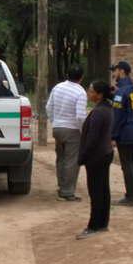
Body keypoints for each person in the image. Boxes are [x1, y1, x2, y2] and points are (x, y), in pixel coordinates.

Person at [76, 81, 114, 240]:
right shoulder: (108, 109)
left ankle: (93, 225)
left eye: (91, 91)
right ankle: (103, 222)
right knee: (103, 189)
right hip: (105, 153)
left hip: (96, 156)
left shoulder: (98, 112)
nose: (88, 93)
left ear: (99, 95)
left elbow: (92, 139)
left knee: (96, 191)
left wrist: (83, 156)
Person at [46, 64, 88, 201]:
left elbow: (48, 107)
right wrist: (83, 130)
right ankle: (68, 192)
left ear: (67, 75)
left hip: (57, 129)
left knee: (61, 158)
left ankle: (61, 186)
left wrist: (54, 121)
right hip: (72, 130)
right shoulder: (80, 92)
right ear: (81, 77)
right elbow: (81, 116)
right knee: (72, 161)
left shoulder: (57, 88)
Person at [110, 61, 133, 206]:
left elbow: (117, 116)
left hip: (125, 133)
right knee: (132, 162)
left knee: (127, 164)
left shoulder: (120, 92)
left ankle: (130, 197)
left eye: (115, 71)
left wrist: (112, 136)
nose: (113, 74)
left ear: (121, 71)